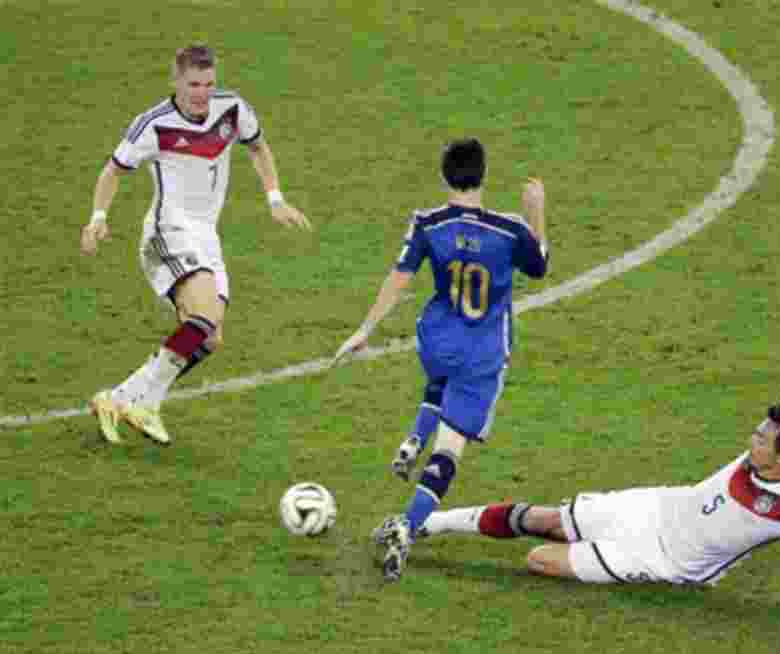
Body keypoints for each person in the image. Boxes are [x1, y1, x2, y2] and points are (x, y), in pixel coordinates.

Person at [419, 314, 780, 623]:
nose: (753, 437)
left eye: (762, 438)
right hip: (656, 506)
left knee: (539, 559)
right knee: (543, 518)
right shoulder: (770, 442)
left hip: (663, 559)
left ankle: (569, 553)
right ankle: (423, 524)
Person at [332, 138, 549, 581]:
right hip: (482, 354)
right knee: (450, 449)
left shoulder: (427, 223)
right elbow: (540, 265)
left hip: (436, 338)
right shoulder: (508, 231)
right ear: (484, 175)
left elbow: (399, 277)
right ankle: (407, 527)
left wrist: (365, 330)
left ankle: (415, 436)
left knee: (440, 380)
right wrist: (536, 212)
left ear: (444, 175)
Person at [80, 44, 312, 445]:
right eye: (193, 84)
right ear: (177, 81)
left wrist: (275, 198)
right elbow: (112, 171)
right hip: (168, 229)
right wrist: (98, 218)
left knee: (209, 337)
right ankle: (142, 402)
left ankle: (122, 399)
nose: (202, 93)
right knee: (203, 316)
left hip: (207, 235)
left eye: (208, 83)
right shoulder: (154, 125)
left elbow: (258, 146)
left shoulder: (232, 109)